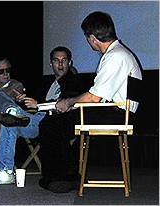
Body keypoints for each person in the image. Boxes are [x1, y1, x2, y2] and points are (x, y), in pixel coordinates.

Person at [40, 11, 143, 193]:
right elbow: (97, 96)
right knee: (59, 121)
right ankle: (68, 175)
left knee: (51, 123)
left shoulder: (115, 56)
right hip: (118, 112)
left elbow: (95, 97)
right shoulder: (118, 53)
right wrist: (70, 104)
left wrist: (69, 102)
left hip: (116, 114)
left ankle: (60, 178)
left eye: (87, 38)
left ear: (93, 38)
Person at [0, 46, 83, 185]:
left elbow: (65, 104)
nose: (60, 64)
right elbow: (34, 106)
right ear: (51, 64)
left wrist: (38, 104)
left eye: (64, 60)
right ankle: (5, 171)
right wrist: (22, 100)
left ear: (69, 63)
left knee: (11, 122)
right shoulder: (46, 84)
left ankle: (5, 170)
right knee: (0, 97)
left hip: (51, 123)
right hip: (33, 119)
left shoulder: (74, 82)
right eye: (56, 60)